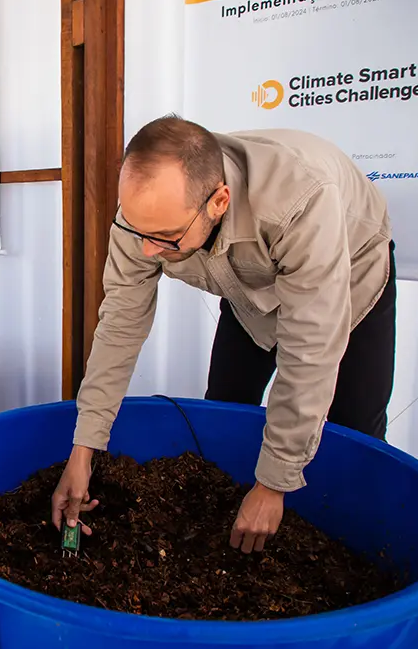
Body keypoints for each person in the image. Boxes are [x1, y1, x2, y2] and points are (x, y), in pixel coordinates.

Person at [51, 115, 396, 554]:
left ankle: (357, 540)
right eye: (140, 233)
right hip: (250, 289)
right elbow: (120, 323)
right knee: (227, 405)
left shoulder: (301, 201)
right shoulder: (146, 219)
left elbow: (309, 348)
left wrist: (273, 484)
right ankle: (230, 517)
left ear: (219, 202)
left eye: (166, 238)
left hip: (349, 274)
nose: (148, 251)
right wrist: (84, 451)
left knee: (355, 425)